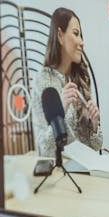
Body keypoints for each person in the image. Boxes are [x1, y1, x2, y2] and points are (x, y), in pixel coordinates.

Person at [31, 8, 102, 157]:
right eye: (76, 34)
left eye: (81, 36)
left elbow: (96, 146)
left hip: (82, 170)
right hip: (58, 172)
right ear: (60, 36)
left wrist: (94, 125)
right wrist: (60, 111)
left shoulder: (80, 79)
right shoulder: (42, 82)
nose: (82, 42)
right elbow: (43, 150)